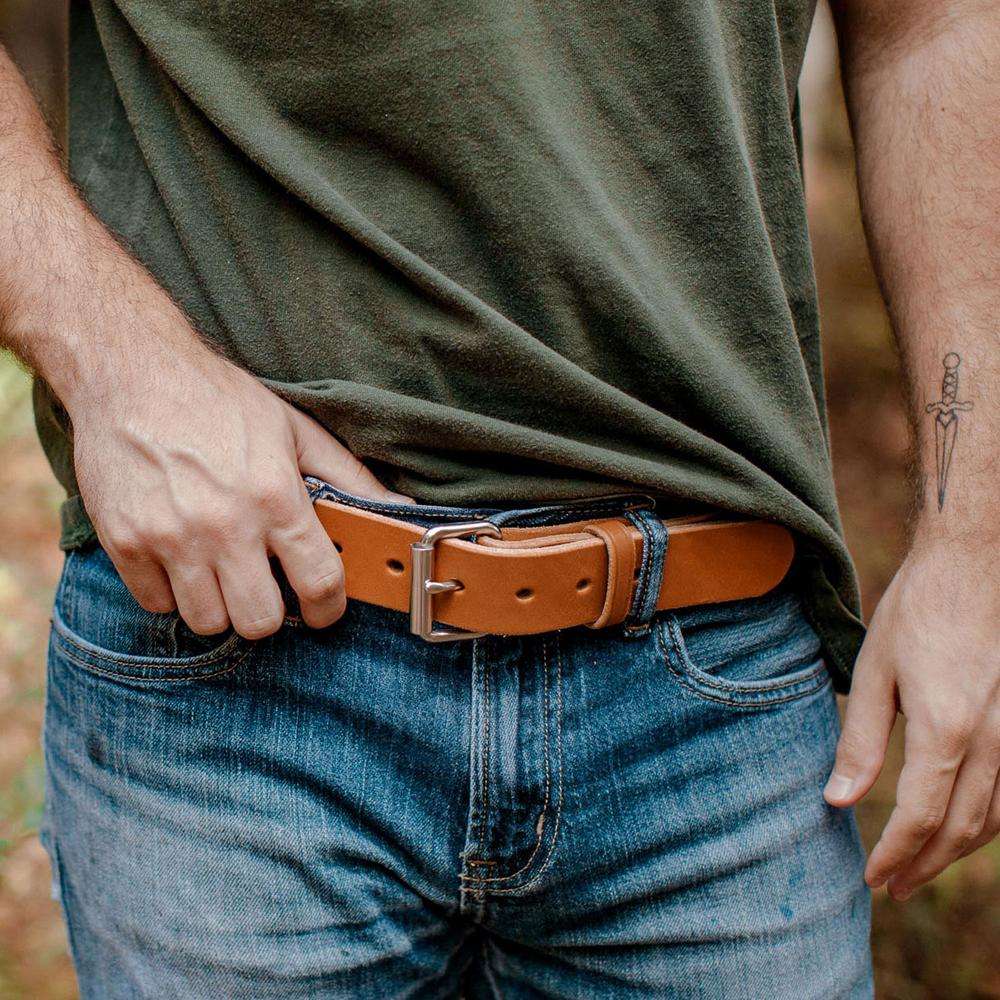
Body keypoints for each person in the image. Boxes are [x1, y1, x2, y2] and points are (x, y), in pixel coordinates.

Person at [0, 0, 996, 996]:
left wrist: (974, 537)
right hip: (244, 639)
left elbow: (934, 25)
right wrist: (111, 355)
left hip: (710, 674)